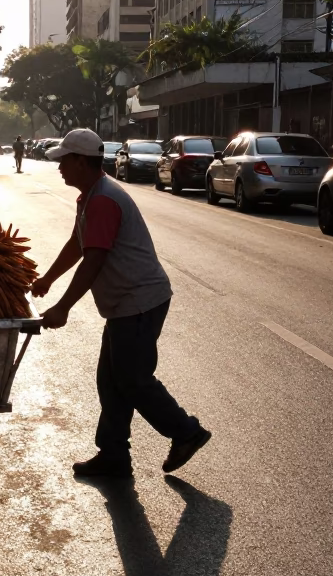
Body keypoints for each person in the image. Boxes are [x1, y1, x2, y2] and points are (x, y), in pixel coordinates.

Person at [31, 128, 210, 480]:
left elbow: (94, 260)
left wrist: (63, 307)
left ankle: (186, 432)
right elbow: (77, 244)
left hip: (139, 302)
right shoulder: (90, 196)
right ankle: (113, 454)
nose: (60, 168)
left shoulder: (102, 200)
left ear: (82, 162)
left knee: (132, 379)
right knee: (110, 379)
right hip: (125, 305)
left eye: (65, 161)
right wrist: (48, 279)